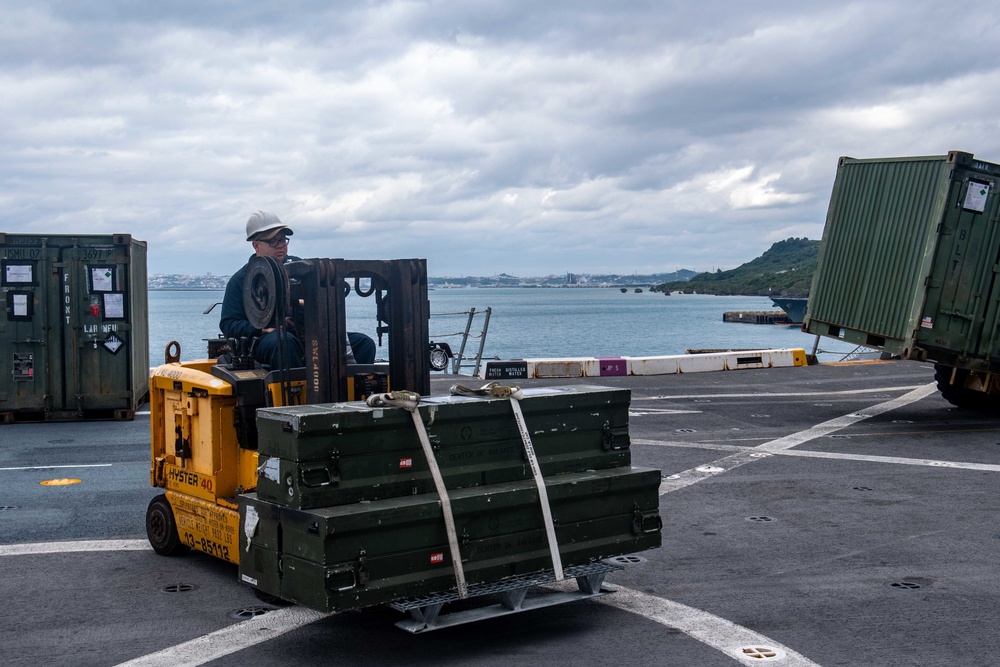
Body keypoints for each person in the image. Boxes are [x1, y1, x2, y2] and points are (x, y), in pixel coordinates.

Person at [220, 210, 376, 368]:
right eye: (273, 241)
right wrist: (263, 329)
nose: (280, 246)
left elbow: (323, 300)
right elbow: (228, 324)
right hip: (264, 340)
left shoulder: (300, 268)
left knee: (363, 344)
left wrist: (303, 304)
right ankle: (298, 391)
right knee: (285, 343)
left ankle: (354, 389)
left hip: (304, 334)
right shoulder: (241, 280)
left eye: (282, 240)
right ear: (256, 245)